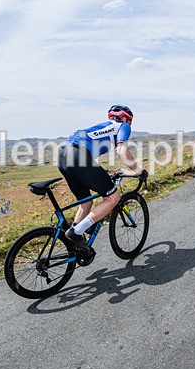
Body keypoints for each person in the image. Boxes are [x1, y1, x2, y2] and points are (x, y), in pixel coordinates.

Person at [58, 105, 147, 260]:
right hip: (78, 155)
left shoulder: (103, 128)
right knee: (113, 198)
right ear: (125, 118)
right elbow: (122, 151)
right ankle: (77, 232)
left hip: (63, 155)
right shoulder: (122, 126)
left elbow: (88, 158)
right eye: (130, 121)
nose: (130, 124)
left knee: (85, 203)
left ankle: (76, 245)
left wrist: (103, 174)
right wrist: (139, 171)